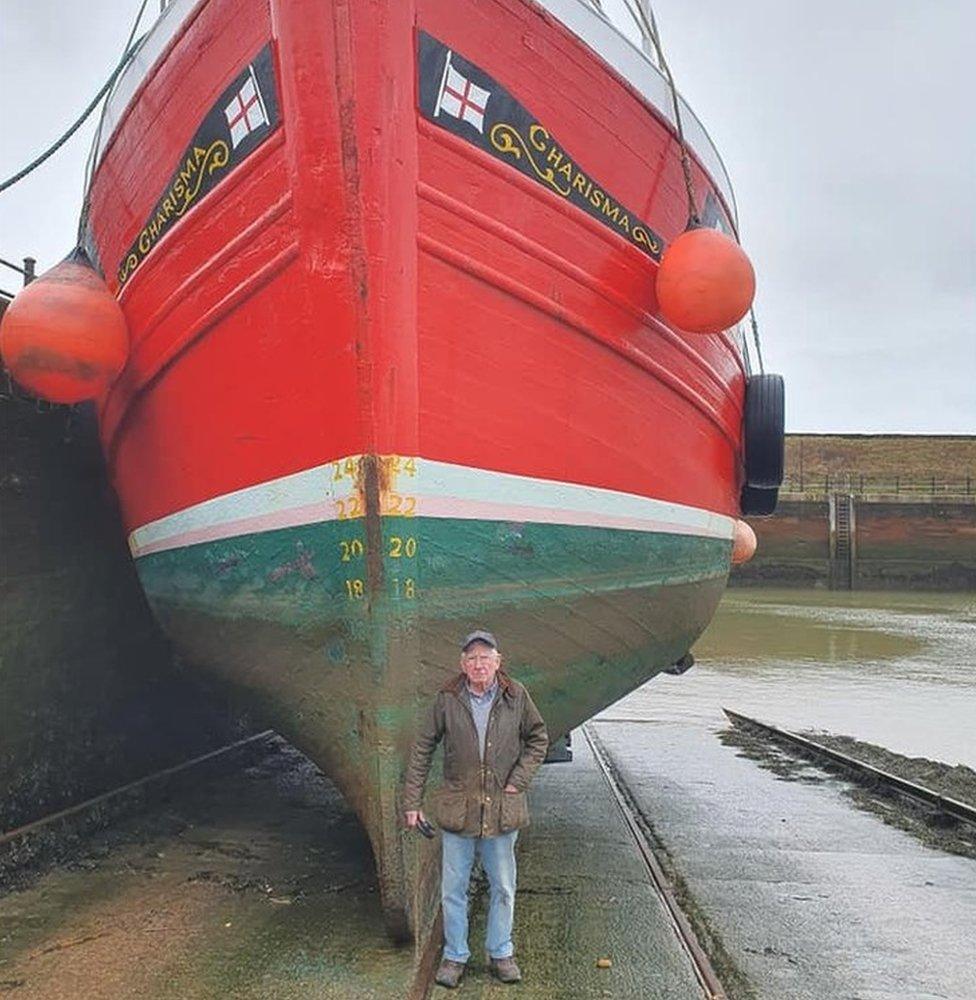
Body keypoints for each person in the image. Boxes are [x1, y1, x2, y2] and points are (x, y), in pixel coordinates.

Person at [403, 629, 549, 988]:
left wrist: (518, 780)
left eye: (486, 657)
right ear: (462, 664)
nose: (479, 663)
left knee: (503, 886)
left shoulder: (516, 696)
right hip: (459, 810)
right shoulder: (447, 698)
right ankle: (455, 956)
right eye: (472, 658)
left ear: (498, 662)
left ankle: (501, 952)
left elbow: (538, 738)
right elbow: (423, 748)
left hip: (502, 809)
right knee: (453, 888)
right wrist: (412, 803)